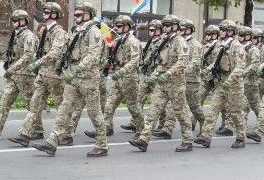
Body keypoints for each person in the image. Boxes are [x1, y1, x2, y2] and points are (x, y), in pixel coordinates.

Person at [31, 1, 109, 157]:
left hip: (88, 78)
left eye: (80, 14)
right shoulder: (78, 31)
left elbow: (93, 56)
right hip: (73, 77)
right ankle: (52, 142)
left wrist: (77, 70)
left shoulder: (93, 32)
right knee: (64, 109)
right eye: (76, 14)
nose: (77, 16)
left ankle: (102, 145)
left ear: (89, 15)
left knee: (95, 113)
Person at [129, 14, 194, 153]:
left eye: (168, 25)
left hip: (176, 83)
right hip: (161, 83)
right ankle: (144, 139)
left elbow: (183, 61)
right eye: (164, 25)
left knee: (181, 113)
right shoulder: (163, 42)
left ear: (175, 26)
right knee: (153, 112)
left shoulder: (180, 42)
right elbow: (159, 62)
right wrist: (154, 75)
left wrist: (169, 73)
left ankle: (187, 140)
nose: (165, 28)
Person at [7, 2, 68, 145]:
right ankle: (25, 134)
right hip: (42, 74)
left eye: (47, 12)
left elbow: (55, 53)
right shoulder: (46, 30)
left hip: (55, 75)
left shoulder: (59, 32)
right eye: (44, 11)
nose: (44, 14)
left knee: (61, 106)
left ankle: (66, 134)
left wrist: (36, 63)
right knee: (34, 104)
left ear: (54, 14)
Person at [0, 10, 38, 139]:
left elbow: (28, 56)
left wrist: (13, 67)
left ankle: (38, 129)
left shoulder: (28, 36)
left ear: (23, 21)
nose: (13, 23)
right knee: (5, 100)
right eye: (13, 20)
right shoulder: (15, 35)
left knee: (31, 104)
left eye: (16, 20)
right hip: (14, 74)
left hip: (25, 75)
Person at [86, 14, 143, 138]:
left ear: (127, 27)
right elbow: (109, 57)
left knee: (133, 106)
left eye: (119, 26)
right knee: (109, 104)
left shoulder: (133, 41)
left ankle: (141, 130)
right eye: (115, 26)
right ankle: (106, 128)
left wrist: (121, 73)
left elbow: (135, 61)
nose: (116, 28)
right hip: (117, 75)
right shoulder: (118, 41)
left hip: (129, 77)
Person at [194, 19, 246, 149]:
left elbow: (240, 67)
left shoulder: (237, 46)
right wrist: (206, 71)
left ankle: (240, 137)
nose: (220, 32)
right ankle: (206, 136)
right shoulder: (219, 45)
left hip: (234, 85)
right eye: (220, 29)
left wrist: (230, 81)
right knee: (212, 109)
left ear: (230, 31)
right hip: (221, 83)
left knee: (235, 112)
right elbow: (215, 62)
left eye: (223, 30)